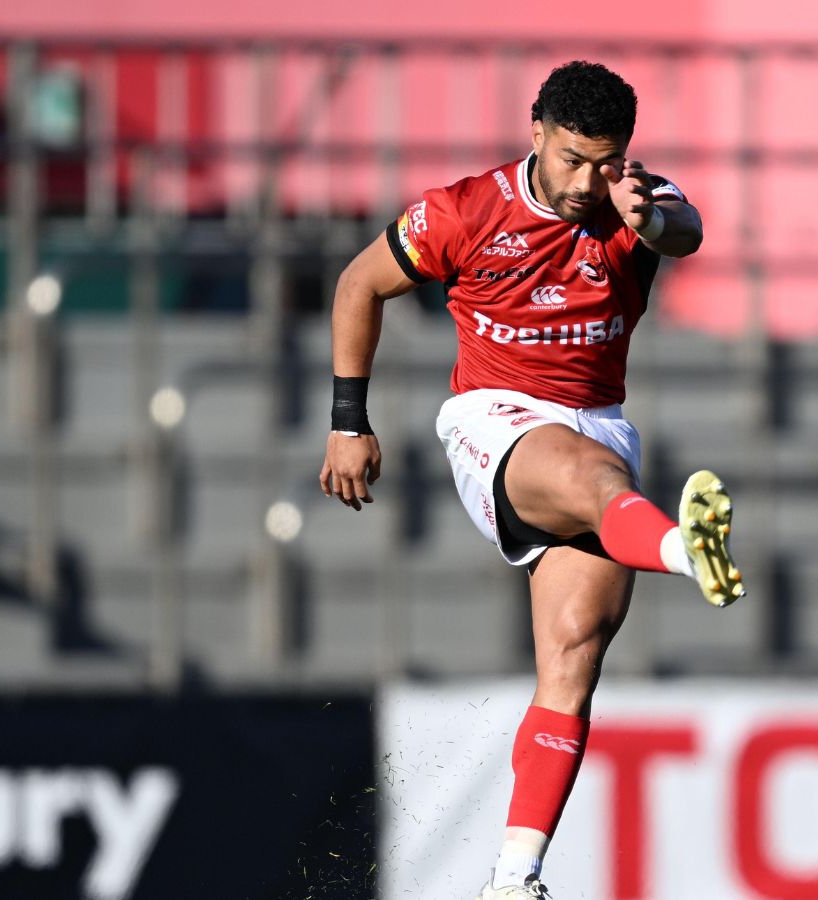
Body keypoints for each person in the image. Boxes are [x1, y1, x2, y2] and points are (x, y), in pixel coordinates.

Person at [318, 60, 745, 900]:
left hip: (599, 419)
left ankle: (515, 877)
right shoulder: (464, 211)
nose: (589, 180)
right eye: (573, 160)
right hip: (495, 420)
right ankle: (685, 551)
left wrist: (650, 215)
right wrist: (347, 421)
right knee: (589, 477)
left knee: (576, 649)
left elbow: (686, 232)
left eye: (607, 160)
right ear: (538, 132)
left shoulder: (635, 199)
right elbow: (360, 283)